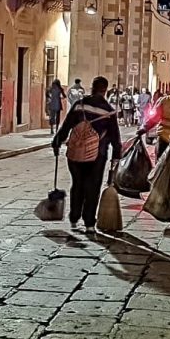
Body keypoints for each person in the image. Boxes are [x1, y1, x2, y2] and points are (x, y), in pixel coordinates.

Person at [52, 76, 122, 231]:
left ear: (92, 87)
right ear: (105, 90)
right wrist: (117, 155)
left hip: (76, 153)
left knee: (77, 184)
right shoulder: (109, 111)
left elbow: (66, 126)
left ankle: (74, 218)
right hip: (97, 154)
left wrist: (57, 142)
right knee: (93, 187)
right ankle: (89, 222)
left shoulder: (79, 105)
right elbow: (115, 137)